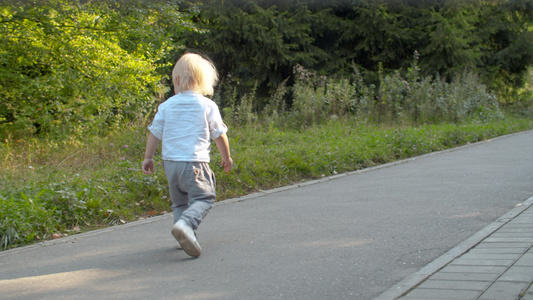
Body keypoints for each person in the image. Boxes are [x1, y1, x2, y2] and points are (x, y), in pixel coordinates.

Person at [141, 53, 233, 258]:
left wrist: (148, 157)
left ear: (176, 80)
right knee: (204, 197)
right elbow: (219, 134)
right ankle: (186, 225)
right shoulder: (207, 105)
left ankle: (182, 237)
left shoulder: (166, 106)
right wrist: (226, 157)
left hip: (170, 164)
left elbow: (155, 132)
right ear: (204, 82)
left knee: (180, 203)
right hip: (195, 163)